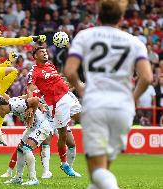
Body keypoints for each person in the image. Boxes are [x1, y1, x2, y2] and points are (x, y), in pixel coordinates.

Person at [64, 0, 153, 188]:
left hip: (95, 105)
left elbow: (70, 71)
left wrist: (81, 89)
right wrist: (133, 98)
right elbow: (146, 77)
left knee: (97, 171)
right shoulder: (135, 42)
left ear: (98, 15)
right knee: (102, 171)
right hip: (122, 108)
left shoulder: (85, 36)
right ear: (121, 18)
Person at [27, 46, 81, 177]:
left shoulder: (51, 66)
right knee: (61, 135)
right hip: (56, 103)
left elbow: (57, 81)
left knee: (83, 118)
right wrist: (30, 105)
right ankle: (64, 164)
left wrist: (71, 84)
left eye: (46, 52)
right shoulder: (34, 71)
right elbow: (30, 89)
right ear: (35, 56)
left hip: (68, 96)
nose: (45, 54)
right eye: (42, 52)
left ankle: (69, 165)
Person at [0, 95, 54, 185]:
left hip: (41, 126)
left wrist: (32, 113)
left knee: (27, 149)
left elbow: (35, 99)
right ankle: (18, 177)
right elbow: (26, 97)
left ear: (1, 107)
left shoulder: (16, 105)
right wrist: (30, 106)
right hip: (32, 128)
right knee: (20, 150)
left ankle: (33, 179)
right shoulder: (11, 103)